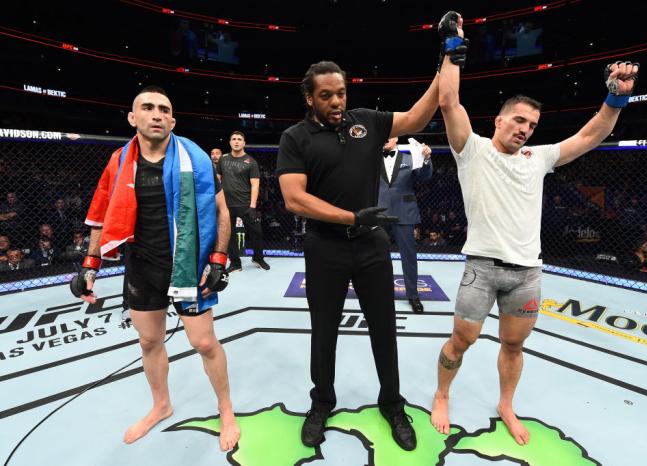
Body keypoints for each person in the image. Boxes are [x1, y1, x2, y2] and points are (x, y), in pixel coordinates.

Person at [430, 11, 640, 446]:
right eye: (520, 121)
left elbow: (591, 135)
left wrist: (616, 98)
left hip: (527, 273)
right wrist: (452, 49)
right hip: (482, 267)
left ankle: (506, 404)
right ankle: (442, 394)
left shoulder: (539, 158)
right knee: (460, 340)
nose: (526, 130)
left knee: (513, 345)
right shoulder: (474, 150)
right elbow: (449, 103)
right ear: (500, 121)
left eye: (532, 125)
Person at [276, 59, 441, 451]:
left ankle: (393, 405)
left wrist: (445, 63)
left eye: (341, 93)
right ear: (309, 97)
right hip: (325, 245)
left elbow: (418, 116)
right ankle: (322, 403)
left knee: (384, 328)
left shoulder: (365, 121)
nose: (336, 101)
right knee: (325, 330)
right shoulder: (295, 138)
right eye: (326, 95)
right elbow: (294, 198)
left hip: (370, 244)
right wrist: (351, 216)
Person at [69, 86, 239, 451]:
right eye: (148, 107)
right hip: (142, 265)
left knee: (204, 342)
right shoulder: (119, 160)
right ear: (134, 118)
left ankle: (226, 410)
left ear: (173, 120)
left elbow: (224, 211)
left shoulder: (195, 156)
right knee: (149, 341)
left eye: (164, 109)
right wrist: (90, 264)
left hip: (188, 264)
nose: (157, 114)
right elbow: (100, 216)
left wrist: (219, 259)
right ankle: (161, 405)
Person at [378, 137, 433, 313]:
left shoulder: (410, 158)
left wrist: (425, 159)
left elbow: (425, 176)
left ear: (395, 139)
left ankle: (413, 295)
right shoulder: (370, 159)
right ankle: (380, 293)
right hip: (378, 213)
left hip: (404, 212)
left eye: (388, 135)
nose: (384, 138)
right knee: (377, 257)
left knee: (408, 257)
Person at [216, 131, 270, 271]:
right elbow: (218, 180)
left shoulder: (251, 162)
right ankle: (235, 263)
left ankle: (258, 258)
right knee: (229, 234)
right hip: (227, 205)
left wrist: (252, 206)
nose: (236, 141)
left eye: (239, 139)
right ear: (230, 142)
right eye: (233, 139)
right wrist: (218, 201)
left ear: (244, 143)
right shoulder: (223, 159)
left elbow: (255, 184)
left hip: (245, 204)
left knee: (256, 232)